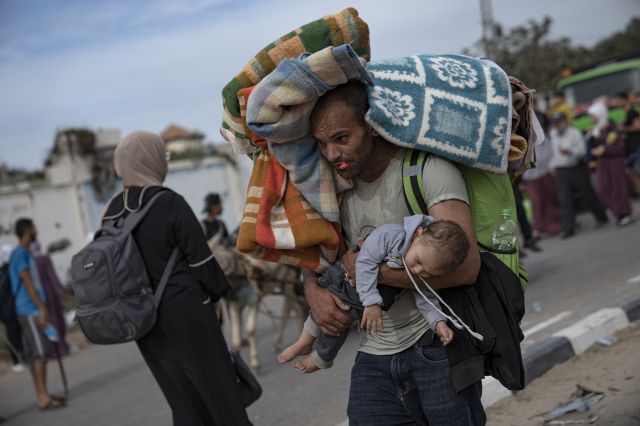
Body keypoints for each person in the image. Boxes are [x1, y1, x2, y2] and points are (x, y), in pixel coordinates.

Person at [305, 81, 485, 425]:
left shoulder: (427, 172)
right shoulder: (333, 191)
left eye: (342, 138)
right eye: (322, 144)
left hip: (436, 346)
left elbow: (466, 268)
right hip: (374, 353)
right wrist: (312, 291)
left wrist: (370, 272)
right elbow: (319, 261)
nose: (331, 154)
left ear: (372, 127)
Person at [103, 130, 251, 425]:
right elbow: (201, 258)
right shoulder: (167, 201)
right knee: (218, 387)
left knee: (179, 392)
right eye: (164, 157)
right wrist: (217, 295)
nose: (166, 164)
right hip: (187, 311)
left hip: (144, 318)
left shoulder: (111, 211)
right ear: (152, 161)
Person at [278, 216, 468, 374]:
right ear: (418, 233)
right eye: (418, 261)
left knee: (337, 322)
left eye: (427, 273)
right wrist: (371, 303)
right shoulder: (392, 235)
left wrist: (438, 323)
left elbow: (426, 297)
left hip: (356, 297)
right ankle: (304, 342)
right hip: (344, 278)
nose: (417, 270)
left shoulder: (417, 264)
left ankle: (320, 357)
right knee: (325, 305)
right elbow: (365, 260)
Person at [8, 218, 65, 410]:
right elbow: (27, 281)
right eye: (34, 228)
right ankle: (42, 397)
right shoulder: (20, 254)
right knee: (40, 353)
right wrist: (42, 307)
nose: (36, 231)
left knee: (36, 354)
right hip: (29, 309)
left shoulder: (24, 253)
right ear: (27, 230)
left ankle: (43, 393)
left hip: (30, 308)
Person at [549, 112, 608, 238]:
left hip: (576, 167)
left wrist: (570, 152)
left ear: (565, 121)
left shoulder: (574, 132)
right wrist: (552, 167)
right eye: (555, 123)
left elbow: (582, 151)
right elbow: (552, 153)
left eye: (559, 122)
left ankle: (601, 217)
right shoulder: (553, 134)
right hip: (561, 169)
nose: (558, 125)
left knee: (587, 193)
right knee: (564, 199)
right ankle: (568, 228)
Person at [587, 102, 633, 226]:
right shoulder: (596, 130)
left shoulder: (610, 127)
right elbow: (593, 146)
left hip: (614, 161)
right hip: (602, 163)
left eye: (593, 115)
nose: (591, 119)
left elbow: (617, 145)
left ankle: (624, 213)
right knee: (604, 188)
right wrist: (593, 152)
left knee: (618, 187)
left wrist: (605, 150)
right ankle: (616, 212)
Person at [521, 112, 562, 238]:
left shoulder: (543, 139)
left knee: (550, 198)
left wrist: (551, 166)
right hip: (530, 177)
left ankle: (553, 224)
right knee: (536, 201)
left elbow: (550, 153)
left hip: (545, 172)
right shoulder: (523, 139)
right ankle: (537, 228)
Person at [0, 244, 24, 373]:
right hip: (9, 310)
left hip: (10, 309)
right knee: (14, 335)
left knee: (16, 334)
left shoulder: (6, 272)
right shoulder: (7, 273)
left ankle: (20, 358)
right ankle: (17, 360)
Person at [618, 91, 640, 195]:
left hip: (636, 145)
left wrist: (624, 128)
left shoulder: (632, 112)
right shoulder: (628, 112)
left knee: (636, 171)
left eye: (618, 100)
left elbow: (638, 126)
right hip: (630, 146)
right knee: (633, 172)